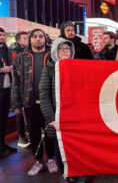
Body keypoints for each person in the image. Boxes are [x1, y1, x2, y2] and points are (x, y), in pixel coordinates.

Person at [11, 29, 58, 176]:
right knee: (34, 134)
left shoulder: (52, 56)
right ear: (30, 39)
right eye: (35, 37)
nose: (38, 39)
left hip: (50, 103)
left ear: (45, 39)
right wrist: (16, 105)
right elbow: (16, 82)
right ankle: (38, 161)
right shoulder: (21, 58)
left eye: (40, 37)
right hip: (29, 102)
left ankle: (51, 159)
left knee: (51, 133)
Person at [39, 38, 86, 183]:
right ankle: (65, 173)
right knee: (61, 147)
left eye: (67, 48)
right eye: (61, 48)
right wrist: (51, 118)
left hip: (76, 115)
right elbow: (44, 94)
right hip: (58, 116)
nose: (65, 51)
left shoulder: (78, 67)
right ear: (55, 51)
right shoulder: (49, 69)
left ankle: (78, 172)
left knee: (78, 146)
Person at [8, 31, 30, 148]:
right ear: (19, 41)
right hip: (17, 87)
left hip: (27, 87)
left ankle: (27, 133)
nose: (27, 40)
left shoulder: (27, 51)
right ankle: (21, 136)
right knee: (19, 113)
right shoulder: (14, 52)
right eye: (25, 39)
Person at [0, 28, 17, 155]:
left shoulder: (6, 49)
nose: (2, 37)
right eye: (0, 35)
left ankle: (2, 144)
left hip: (7, 88)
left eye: (3, 34)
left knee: (4, 118)